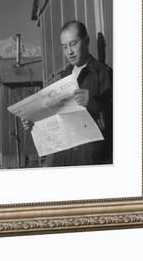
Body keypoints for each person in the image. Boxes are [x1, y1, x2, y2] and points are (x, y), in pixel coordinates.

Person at [22, 20, 112, 166]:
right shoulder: (60, 78)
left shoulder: (102, 74)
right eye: (64, 47)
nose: (69, 51)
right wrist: (34, 122)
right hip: (61, 159)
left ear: (87, 41)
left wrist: (92, 103)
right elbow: (52, 118)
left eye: (73, 44)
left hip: (89, 160)